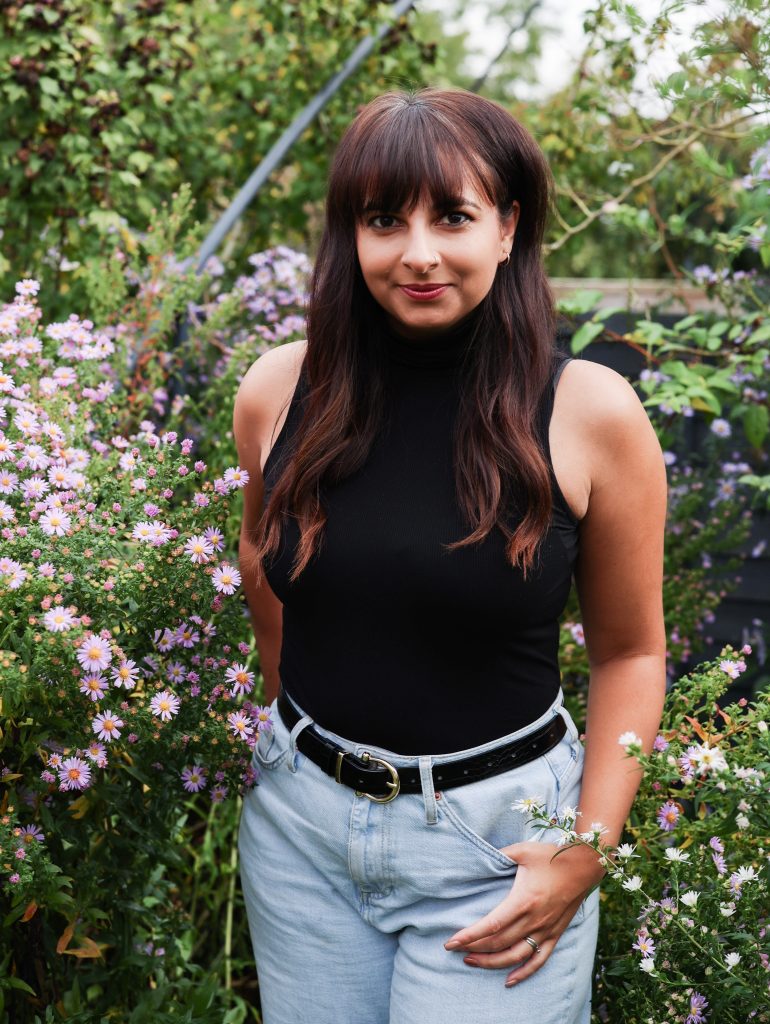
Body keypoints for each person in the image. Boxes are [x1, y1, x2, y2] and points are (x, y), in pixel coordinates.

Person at [234, 88, 666, 1024]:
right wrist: (285, 729)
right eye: (384, 219)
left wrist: (585, 848)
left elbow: (631, 652)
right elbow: (265, 565)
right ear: (351, 234)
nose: (417, 252)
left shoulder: (588, 411)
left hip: (499, 851)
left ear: (508, 227)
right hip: (301, 836)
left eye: (454, 216)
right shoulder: (279, 389)